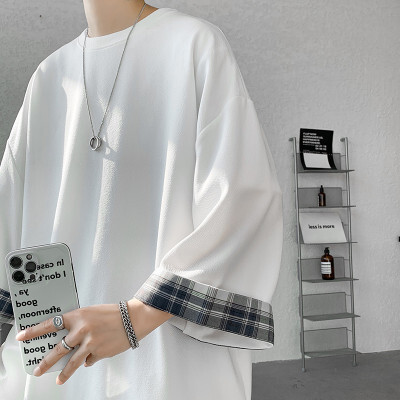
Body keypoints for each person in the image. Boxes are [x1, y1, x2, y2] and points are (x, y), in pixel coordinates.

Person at [0, 1, 283, 399]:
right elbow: (10, 219)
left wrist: (135, 316)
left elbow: (241, 199)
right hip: (60, 364)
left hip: (168, 366)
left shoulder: (193, 45)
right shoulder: (49, 76)